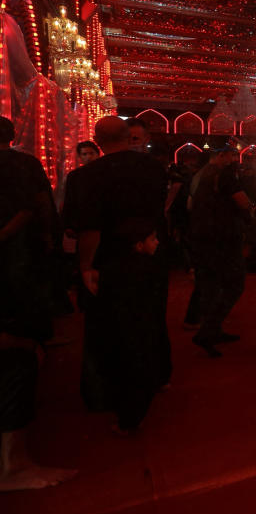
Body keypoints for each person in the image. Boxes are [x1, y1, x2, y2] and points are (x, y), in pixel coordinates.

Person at [0, 116, 76, 491]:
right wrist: (46, 238)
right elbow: (36, 207)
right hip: (15, 264)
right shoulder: (22, 164)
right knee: (17, 355)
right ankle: (12, 465)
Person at [76, 117, 170, 413]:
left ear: (97, 140)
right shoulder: (154, 169)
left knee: (106, 328)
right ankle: (152, 380)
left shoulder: (86, 176)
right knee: (148, 320)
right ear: (128, 136)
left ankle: (107, 395)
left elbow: (90, 229)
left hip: (110, 259)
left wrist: (86, 266)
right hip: (148, 254)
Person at [95, 219, 167, 433]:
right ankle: (129, 420)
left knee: (125, 374)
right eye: (152, 239)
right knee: (138, 374)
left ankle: (126, 417)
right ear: (138, 245)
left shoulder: (111, 269)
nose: (157, 242)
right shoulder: (151, 269)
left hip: (119, 330)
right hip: (141, 329)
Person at [186, 146, 252, 358]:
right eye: (232, 155)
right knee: (234, 284)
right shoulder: (224, 175)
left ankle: (213, 330)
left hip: (202, 237)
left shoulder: (200, 175)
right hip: (223, 239)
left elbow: (189, 204)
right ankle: (207, 332)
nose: (234, 159)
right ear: (222, 155)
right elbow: (243, 201)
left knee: (210, 287)